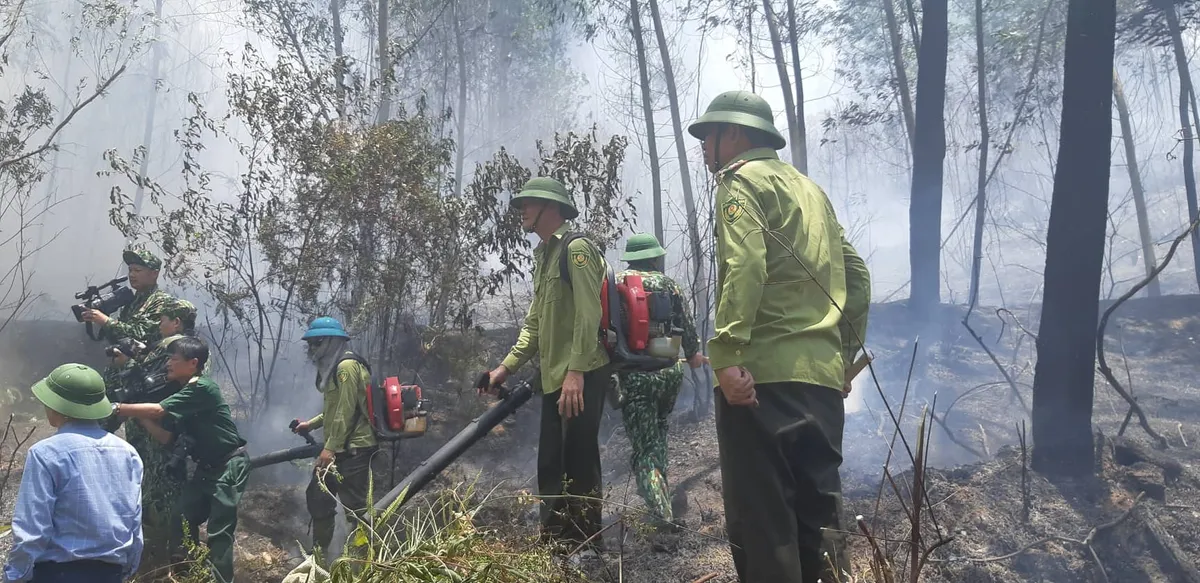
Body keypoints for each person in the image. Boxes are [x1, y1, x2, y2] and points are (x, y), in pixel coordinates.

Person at [686, 90, 872, 583]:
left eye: (709, 134)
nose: (704, 146)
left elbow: (745, 264)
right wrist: (842, 358)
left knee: (765, 527)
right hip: (822, 385)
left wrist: (724, 355)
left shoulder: (739, 183)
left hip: (760, 382)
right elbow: (856, 275)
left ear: (736, 135)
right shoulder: (811, 191)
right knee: (823, 522)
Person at [484, 176, 611, 558]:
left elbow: (590, 315)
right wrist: (505, 368)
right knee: (552, 463)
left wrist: (576, 373)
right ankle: (556, 545)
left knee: (579, 460)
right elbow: (536, 324)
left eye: (528, 203)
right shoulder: (544, 256)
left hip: (582, 372)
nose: (521, 210)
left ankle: (588, 546)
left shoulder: (578, 250)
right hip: (557, 375)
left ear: (550, 207)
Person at [114, 337, 249, 583]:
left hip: (228, 465)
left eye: (174, 359)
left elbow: (158, 411)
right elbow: (166, 438)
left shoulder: (202, 388)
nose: (168, 364)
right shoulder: (185, 393)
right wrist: (137, 415)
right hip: (206, 469)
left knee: (219, 532)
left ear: (193, 363)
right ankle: (188, 575)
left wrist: (118, 408)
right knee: (181, 518)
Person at [3, 364, 143, 583]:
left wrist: (14, 576)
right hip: (110, 573)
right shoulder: (128, 453)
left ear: (59, 407)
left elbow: (33, 531)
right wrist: (127, 568)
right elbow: (133, 521)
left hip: (57, 574)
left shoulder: (45, 453)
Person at [610, 233, 704, 535]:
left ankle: (660, 512)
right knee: (660, 431)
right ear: (654, 258)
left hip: (635, 376)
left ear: (631, 258)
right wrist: (693, 355)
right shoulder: (669, 284)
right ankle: (659, 491)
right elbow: (687, 329)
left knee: (644, 448)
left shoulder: (617, 282)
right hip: (669, 372)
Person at [111, 298, 199, 571]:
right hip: (161, 429)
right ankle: (176, 556)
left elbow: (145, 385)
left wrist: (126, 363)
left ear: (177, 322)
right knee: (163, 491)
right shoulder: (190, 348)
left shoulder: (172, 347)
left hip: (156, 431)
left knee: (157, 491)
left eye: (164, 319)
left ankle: (163, 559)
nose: (159, 324)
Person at [290, 316, 380, 560]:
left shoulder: (346, 368)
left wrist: (329, 449)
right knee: (318, 497)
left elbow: (346, 411)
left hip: (354, 450)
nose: (312, 349)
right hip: (340, 448)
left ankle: (365, 562)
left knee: (357, 509)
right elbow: (333, 409)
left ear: (330, 342)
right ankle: (320, 556)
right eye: (310, 344)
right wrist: (311, 423)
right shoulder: (335, 369)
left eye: (316, 343)